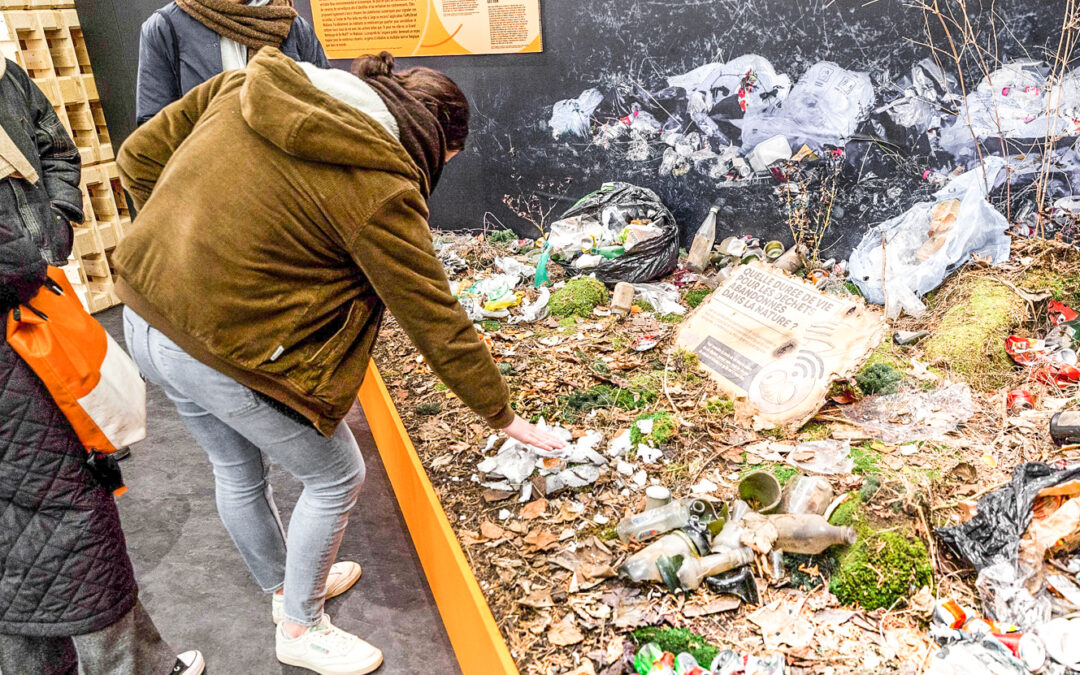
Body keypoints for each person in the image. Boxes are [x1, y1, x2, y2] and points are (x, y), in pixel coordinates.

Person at [112, 47, 564, 674]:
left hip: (142, 311)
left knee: (235, 467)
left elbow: (137, 157)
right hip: (223, 348)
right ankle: (300, 627)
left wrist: (188, 235)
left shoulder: (256, 80)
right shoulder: (378, 181)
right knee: (336, 475)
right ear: (435, 140)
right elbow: (433, 315)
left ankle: (284, 589)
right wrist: (504, 415)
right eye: (447, 162)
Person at [0, 57, 203, 675]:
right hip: (17, 335)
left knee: (40, 533)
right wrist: (25, 255)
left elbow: (55, 147)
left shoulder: (5, 76)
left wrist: (56, 221)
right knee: (68, 519)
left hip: (37, 303)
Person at [136, 0, 328, 125]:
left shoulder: (289, 23)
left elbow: (330, 105)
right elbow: (153, 126)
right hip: (211, 177)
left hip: (286, 176)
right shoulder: (166, 27)